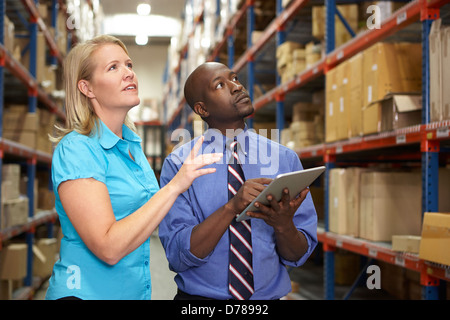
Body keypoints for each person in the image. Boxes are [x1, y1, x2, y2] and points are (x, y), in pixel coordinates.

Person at [45, 35, 222, 300]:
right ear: (87, 88)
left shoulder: (130, 147)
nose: (128, 73)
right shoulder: (77, 149)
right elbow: (108, 247)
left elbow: (151, 216)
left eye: (128, 64)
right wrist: (174, 186)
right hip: (85, 294)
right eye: (113, 67)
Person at [158, 62, 318, 300]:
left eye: (234, 78)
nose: (236, 87)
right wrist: (231, 207)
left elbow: (298, 256)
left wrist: (283, 224)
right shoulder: (179, 164)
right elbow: (179, 255)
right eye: (220, 85)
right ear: (202, 109)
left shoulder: (284, 159)